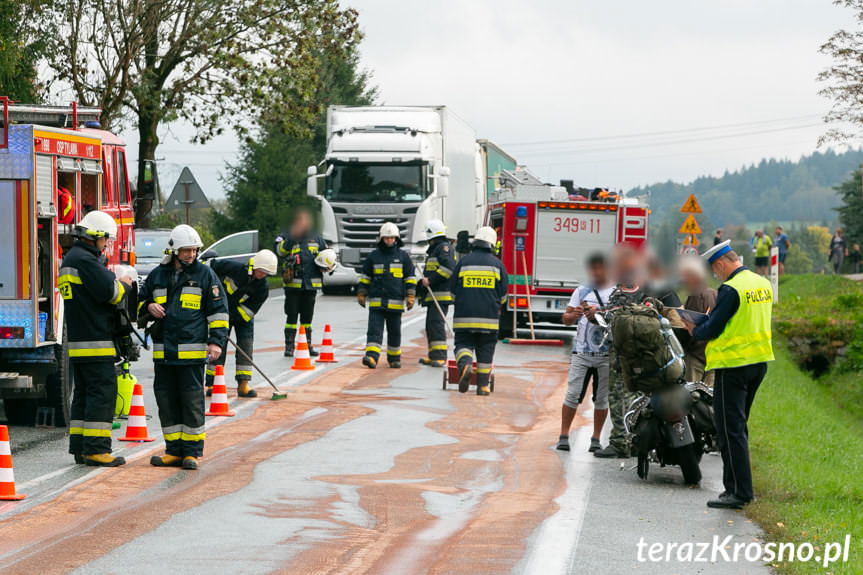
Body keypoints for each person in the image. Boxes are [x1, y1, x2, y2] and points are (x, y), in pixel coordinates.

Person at [684, 240, 774, 509]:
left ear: (722, 263)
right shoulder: (761, 283)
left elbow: (711, 329)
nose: (715, 275)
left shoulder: (731, 289)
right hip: (758, 362)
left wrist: (694, 329)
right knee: (738, 426)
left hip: (733, 366)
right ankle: (733, 488)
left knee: (727, 430)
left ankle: (739, 493)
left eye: (715, 270)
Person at [139, 224, 228, 470]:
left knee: (191, 402)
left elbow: (219, 312)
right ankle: (173, 450)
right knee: (166, 402)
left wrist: (216, 342)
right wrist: (148, 307)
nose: (190, 255)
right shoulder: (157, 275)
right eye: (185, 250)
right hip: (164, 353)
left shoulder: (205, 275)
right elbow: (138, 303)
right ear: (174, 250)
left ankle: (192, 452)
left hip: (191, 353)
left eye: (193, 250)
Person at [58, 211, 133, 467]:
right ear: (96, 236)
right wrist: (125, 283)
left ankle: (80, 447)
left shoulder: (70, 258)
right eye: (106, 239)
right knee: (102, 394)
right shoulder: (86, 261)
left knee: (84, 394)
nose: (107, 244)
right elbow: (111, 293)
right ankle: (98, 449)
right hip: (96, 340)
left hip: (79, 342)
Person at [557, 253, 614, 452]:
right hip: (581, 351)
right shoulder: (582, 291)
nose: (597, 272)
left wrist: (598, 314)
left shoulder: (616, 293)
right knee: (572, 394)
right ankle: (564, 435)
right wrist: (575, 314)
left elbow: (620, 319)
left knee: (601, 398)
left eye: (601, 268)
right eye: (594, 269)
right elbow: (566, 318)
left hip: (606, 354)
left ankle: (596, 438)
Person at [204, 250, 278, 398]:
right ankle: (211, 384)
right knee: (218, 345)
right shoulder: (232, 268)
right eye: (261, 271)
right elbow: (209, 268)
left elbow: (248, 311)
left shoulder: (262, 288)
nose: (263, 275)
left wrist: (230, 317)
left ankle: (243, 385)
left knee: (246, 346)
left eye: (266, 273)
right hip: (221, 311)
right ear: (253, 266)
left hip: (242, 318)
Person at [450, 226, 508, 396]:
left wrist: (461, 301)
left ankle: (466, 364)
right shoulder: (498, 265)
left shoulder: (463, 262)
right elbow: (503, 295)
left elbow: (452, 291)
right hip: (489, 319)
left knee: (462, 345)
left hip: (464, 317)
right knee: (486, 350)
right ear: (491, 244)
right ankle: (483, 386)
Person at [357, 223, 417, 369]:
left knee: (394, 333)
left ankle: (394, 358)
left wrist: (410, 296)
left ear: (396, 238)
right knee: (374, 331)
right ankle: (371, 357)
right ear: (381, 238)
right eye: (386, 238)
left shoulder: (403, 257)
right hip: (377, 303)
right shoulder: (374, 256)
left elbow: (410, 278)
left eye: (391, 238)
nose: (389, 240)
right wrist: (362, 292)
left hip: (395, 304)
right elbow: (366, 277)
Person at [275, 208, 327, 357]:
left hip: (311, 286)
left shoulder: (316, 238)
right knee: (291, 317)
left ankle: (307, 345)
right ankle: (289, 347)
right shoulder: (286, 236)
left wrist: (328, 267)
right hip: (293, 286)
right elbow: (280, 252)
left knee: (307, 319)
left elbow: (327, 255)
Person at [419, 219, 456, 367]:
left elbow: (448, 269)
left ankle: (440, 356)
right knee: (431, 325)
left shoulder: (443, 248)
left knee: (436, 325)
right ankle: (434, 355)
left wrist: (430, 280)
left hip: (440, 295)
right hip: (434, 295)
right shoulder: (437, 248)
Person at [678, 256, 716, 387]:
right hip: (712, 354)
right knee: (710, 396)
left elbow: (690, 323)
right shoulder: (714, 293)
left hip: (696, 354)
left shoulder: (696, 295)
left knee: (692, 394)